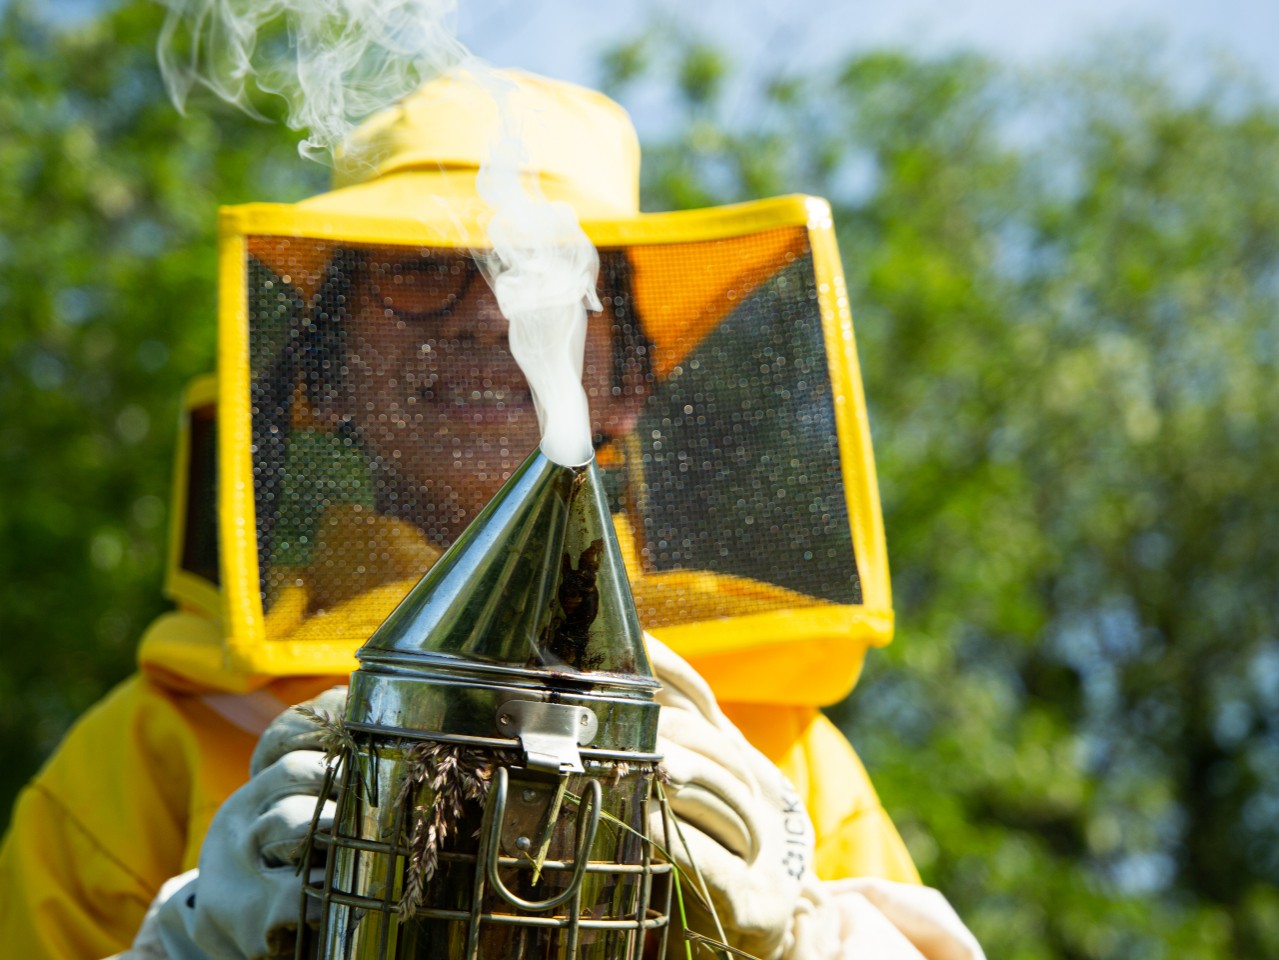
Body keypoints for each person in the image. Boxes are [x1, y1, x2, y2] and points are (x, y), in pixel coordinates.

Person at [0, 68, 979, 959]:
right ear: (324, 372)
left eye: (553, 271)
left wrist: (809, 937)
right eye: (421, 268)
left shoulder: (781, 748)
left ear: (627, 380)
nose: (489, 313)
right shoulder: (150, 749)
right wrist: (189, 946)